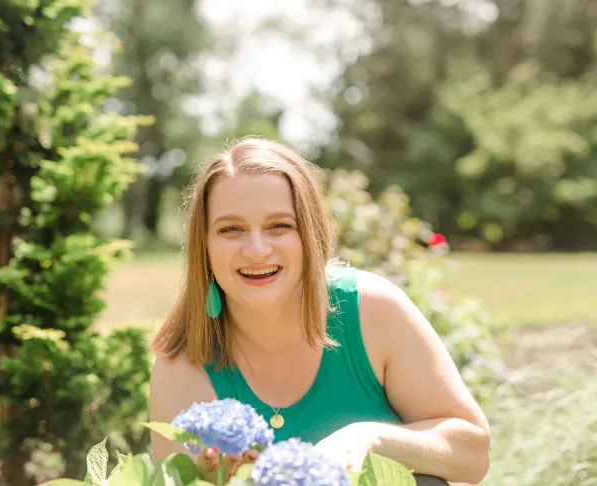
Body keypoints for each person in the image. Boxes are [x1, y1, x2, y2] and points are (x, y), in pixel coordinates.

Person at [149, 137, 491, 485]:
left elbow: (474, 457)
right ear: (204, 245)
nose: (256, 249)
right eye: (231, 229)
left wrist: (367, 439)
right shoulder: (182, 366)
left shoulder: (373, 310)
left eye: (279, 226)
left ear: (309, 233)